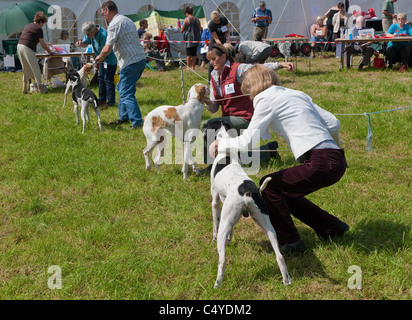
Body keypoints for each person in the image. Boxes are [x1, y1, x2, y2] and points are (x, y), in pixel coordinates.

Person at [209, 64, 349, 254]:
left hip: (321, 161)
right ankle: (331, 228)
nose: (249, 97)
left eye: (247, 91)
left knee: (270, 187)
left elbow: (247, 142)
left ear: (253, 86)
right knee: (283, 191)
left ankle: (291, 243)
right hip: (336, 159)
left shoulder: (265, 99)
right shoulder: (297, 93)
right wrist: (335, 146)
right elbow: (333, 123)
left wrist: (220, 145)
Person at [202, 43, 294, 166]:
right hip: (228, 120)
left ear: (224, 56)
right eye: (209, 60)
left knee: (208, 126)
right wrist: (206, 101)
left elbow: (259, 69)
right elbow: (214, 108)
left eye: (214, 59)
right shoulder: (214, 76)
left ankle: (212, 165)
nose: (212, 63)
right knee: (238, 156)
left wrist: (279, 65)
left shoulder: (238, 69)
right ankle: (268, 150)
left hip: (245, 118)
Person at [95, 1, 146, 129]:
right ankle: (123, 117)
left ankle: (137, 122)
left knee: (125, 92)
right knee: (121, 87)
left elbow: (108, 48)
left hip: (131, 61)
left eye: (103, 14)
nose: (104, 17)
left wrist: (99, 58)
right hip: (138, 59)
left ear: (107, 10)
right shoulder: (126, 19)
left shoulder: (114, 24)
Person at [76, 22, 118, 109]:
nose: (87, 36)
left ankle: (111, 102)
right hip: (101, 59)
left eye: (88, 34)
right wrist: (80, 43)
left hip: (110, 59)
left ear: (94, 30)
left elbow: (107, 50)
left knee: (108, 80)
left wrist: (99, 58)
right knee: (101, 78)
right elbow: (85, 43)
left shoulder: (104, 35)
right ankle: (102, 99)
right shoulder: (90, 33)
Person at [17, 11, 53, 94]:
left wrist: (45, 44)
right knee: (35, 68)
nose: (43, 25)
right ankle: (40, 88)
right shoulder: (38, 28)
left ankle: (24, 88)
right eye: (43, 23)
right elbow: (42, 44)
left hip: (19, 46)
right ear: (40, 22)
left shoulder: (28, 26)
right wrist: (50, 51)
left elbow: (31, 39)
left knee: (25, 68)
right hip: (27, 48)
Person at [207, 10, 231, 81]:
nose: (217, 22)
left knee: (225, 57)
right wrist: (222, 47)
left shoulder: (223, 20)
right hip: (215, 41)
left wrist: (228, 38)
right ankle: (210, 79)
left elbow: (227, 31)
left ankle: (225, 76)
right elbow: (216, 38)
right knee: (212, 59)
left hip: (223, 38)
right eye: (216, 21)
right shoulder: (211, 25)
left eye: (218, 20)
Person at [180, 6, 201, 70]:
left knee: (188, 53)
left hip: (189, 38)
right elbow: (200, 28)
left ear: (186, 12)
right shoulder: (197, 19)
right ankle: (193, 66)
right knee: (194, 53)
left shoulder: (186, 20)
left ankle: (188, 67)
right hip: (196, 38)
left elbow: (182, 30)